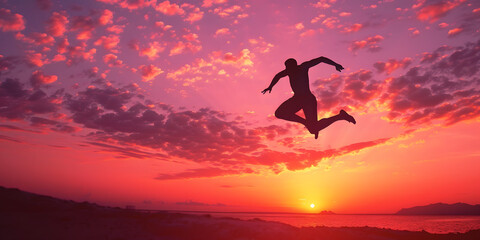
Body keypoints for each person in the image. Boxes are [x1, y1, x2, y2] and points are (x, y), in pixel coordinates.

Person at [262, 56, 356, 139]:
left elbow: (321, 59)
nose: (288, 70)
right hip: (297, 99)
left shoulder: (303, 67)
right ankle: (306, 122)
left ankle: (340, 116)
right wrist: (270, 86)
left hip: (308, 99)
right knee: (279, 113)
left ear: (295, 65)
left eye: (290, 68)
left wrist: (335, 64)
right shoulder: (288, 72)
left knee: (313, 129)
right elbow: (277, 76)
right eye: (287, 68)